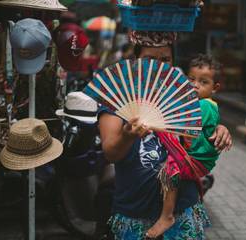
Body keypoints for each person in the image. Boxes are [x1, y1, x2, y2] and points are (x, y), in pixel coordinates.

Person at [98, 31, 232, 239]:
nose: (159, 66)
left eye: (165, 60)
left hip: (183, 210)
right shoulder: (117, 96)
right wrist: (127, 135)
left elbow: (203, 120)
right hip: (135, 212)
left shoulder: (182, 94)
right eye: (151, 59)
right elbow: (110, 153)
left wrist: (220, 129)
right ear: (136, 60)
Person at [146, 54, 222, 238]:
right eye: (192, 79)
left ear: (215, 88)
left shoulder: (205, 105)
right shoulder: (194, 103)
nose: (195, 85)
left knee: (169, 170)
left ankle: (167, 216)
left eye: (203, 82)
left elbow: (185, 128)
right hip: (193, 155)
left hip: (197, 158)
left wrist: (156, 124)